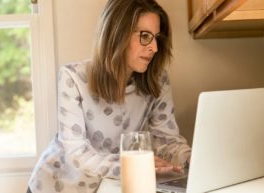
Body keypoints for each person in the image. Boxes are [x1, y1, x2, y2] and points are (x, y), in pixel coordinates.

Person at [27, 0, 191, 192]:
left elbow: (167, 140)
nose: (154, 47)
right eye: (145, 36)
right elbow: (76, 153)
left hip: (106, 186)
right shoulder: (73, 78)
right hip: (54, 186)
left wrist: (190, 158)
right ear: (117, 34)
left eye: (156, 38)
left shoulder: (157, 80)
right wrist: (137, 166)